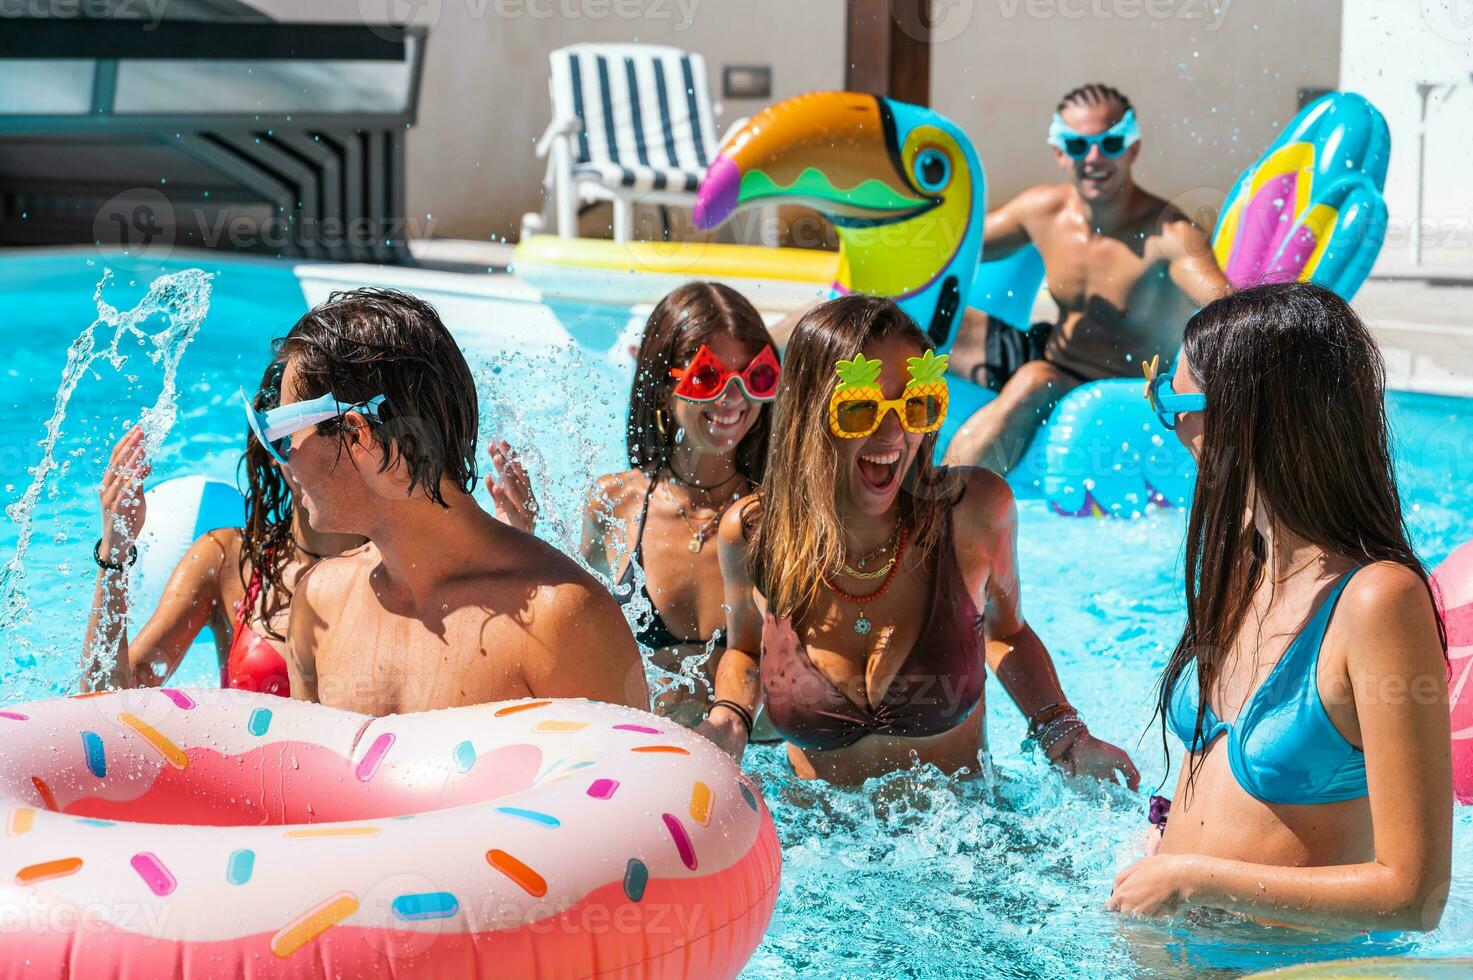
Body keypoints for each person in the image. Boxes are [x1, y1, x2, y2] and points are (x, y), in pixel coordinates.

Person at [1109, 283, 1451, 931]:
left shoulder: (1376, 603)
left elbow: (1414, 897)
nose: (1171, 427)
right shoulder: (1246, 558)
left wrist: (1191, 877)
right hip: (1169, 955)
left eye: (1174, 402)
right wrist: (1163, 837)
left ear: (1245, 417)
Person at [698, 294, 1139, 788]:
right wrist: (729, 719)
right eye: (861, 409)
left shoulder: (973, 514)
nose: (894, 433)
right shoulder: (756, 533)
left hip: (966, 851)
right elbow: (745, 652)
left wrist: (1065, 733)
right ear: (808, 415)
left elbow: (1007, 632)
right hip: (814, 848)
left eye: (916, 406)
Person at [265, 287, 648, 715]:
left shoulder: (563, 621)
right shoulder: (320, 603)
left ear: (359, 438)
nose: (284, 456)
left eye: (284, 433)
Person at [942, 83, 1230, 473]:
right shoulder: (1044, 210)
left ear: (1133, 148)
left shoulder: (1168, 234)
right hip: (1050, 355)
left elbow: (1224, 302)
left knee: (1033, 379)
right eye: (1079, 146)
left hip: (1115, 390)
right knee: (934, 321)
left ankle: (941, 507)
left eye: (1110, 143)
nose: (1094, 157)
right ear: (1060, 152)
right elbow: (955, 245)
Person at [82, 360, 365, 693]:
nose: (317, 453)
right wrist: (114, 552)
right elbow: (108, 697)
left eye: (334, 432)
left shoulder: (396, 565)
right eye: (291, 434)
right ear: (273, 445)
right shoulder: (228, 562)